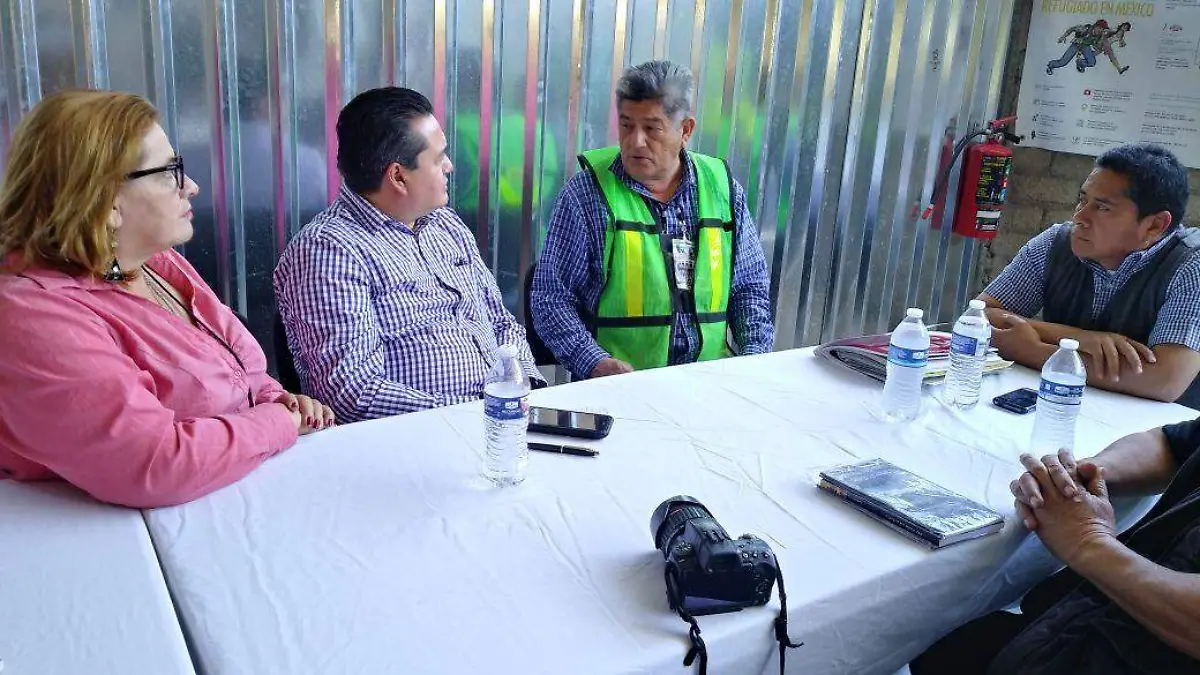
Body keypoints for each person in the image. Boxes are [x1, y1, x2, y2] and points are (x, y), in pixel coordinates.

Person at [0, 89, 333, 509]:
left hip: (234, 498)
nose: (191, 186)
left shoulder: (155, 261)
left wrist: (274, 398)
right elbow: (154, 464)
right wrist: (277, 422)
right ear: (106, 200)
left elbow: (239, 371)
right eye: (169, 172)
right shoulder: (32, 315)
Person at [273, 87, 542, 423]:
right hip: (414, 436)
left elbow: (501, 323)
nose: (450, 166)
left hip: (498, 422)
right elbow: (351, 394)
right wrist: (472, 412)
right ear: (398, 176)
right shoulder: (329, 250)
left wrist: (523, 389)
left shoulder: (444, 223)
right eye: (438, 158)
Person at [531, 60, 773, 379]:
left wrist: (753, 362)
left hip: (709, 382)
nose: (636, 141)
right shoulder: (586, 196)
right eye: (627, 125)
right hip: (620, 388)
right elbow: (551, 298)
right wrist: (593, 362)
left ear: (685, 130)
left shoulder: (722, 189)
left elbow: (749, 289)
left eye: (651, 128)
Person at [911, 420, 1200, 673]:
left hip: (1126, 654)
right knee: (934, 648)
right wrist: (1077, 478)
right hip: (1073, 622)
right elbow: (1173, 443)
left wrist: (1090, 541)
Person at [980, 143, 1200, 407]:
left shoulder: (1190, 265)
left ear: (1155, 225)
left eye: (1103, 208)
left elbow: (1165, 380)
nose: (1080, 216)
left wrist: (1032, 349)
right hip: (1061, 407)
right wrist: (1078, 338)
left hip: (1152, 427)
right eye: (1083, 200)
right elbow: (977, 318)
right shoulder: (1055, 243)